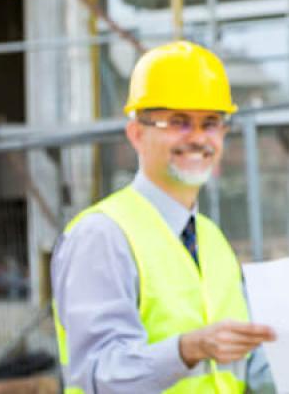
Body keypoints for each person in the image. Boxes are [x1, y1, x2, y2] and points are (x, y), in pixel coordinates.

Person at [51, 41, 276, 393]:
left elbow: (245, 370)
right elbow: (100, 375)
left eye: (211, 122)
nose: (198, 137)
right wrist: (188, 349)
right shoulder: (103, 235)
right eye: (178, 122)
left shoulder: (212, 239)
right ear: (136, 133)